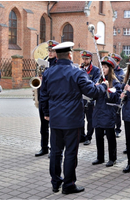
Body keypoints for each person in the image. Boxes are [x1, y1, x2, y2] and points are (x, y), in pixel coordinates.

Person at [40, 42, 108, 194]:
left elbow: (43, 95)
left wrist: (46, 113)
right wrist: (104, 86)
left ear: (57, 55)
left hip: (56, 119)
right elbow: (91, 92)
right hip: (72, 120)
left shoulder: (48, 72)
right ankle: (68, 184)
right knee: (70, 152)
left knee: (56, 152)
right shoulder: (77, 72)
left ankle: (55, 182)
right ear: (70, 55)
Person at [91, 56, 122, 167]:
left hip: (108, 112)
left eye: (105, 67)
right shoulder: (99, 80)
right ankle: (100, 157)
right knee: (98, 136)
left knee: (110, 137)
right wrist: (96, 88)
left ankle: (112, 158)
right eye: (102, 67)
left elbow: (117, 98)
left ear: (110, 69)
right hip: (98, 111)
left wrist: (109, 90)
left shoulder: (115, 82)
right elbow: (94, 95)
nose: (103, 69)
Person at [35, 40, 59, 157]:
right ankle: (44, 147)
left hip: (52, 98)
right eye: (49, 50)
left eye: (52, 51)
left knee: (53, 126)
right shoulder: (43, 62)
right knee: (43, 126)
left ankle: (54, 149)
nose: (50, 53)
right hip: (43, 98)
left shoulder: (58, 64)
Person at [79, 50, 100, 145]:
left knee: (90, 118)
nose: (84, 60)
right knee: (80, 118)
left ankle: (89, 136)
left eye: (86, 59)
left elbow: (95, 82)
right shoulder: (80, 69)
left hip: (90, 98)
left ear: (90, 59)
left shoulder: (95, 70)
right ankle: (82, 136)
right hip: (81, 98)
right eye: (83, 58)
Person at [110, 53, 125, 138]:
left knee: (117, 114)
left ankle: (118, 129)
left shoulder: (120, 71)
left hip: (117, 95)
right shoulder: (109, 69)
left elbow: (120, 82)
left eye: (115, 61)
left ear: (118, 62)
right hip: (109, 94)